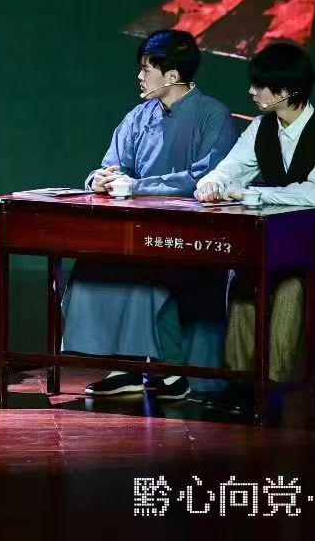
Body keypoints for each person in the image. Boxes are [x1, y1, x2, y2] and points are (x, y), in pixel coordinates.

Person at [63, 29, 238, 401]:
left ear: (172, 75)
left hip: (191, 233)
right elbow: (113, 165)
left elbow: (206, 177)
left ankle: (170, 369)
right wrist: (99, 179)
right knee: (95, 266)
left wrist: (137, 186)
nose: (140, 76)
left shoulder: (213, 115)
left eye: (146, 69)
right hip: (137, 229)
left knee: (148, 275)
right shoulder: (139, 116)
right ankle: (125, 365)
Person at [196, 40, 315, 382]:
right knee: (247, 276)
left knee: (292, 278)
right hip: (287, 247)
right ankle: (241, 381)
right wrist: (211, 184)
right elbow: (228, 170)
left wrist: (253, 194)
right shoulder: (260, 128)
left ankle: (273, 383)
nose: (252, 91)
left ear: (288, 90)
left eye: (260, 85)